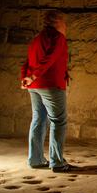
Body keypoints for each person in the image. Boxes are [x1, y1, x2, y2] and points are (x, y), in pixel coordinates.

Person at [20, 10, 75, 173]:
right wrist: (34, 75)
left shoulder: (37, 39)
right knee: (59, 121)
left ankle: (35, 159)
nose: (66, 26)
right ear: (57, 22)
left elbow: (27, 61)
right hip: (50, 85)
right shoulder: (58, 37)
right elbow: (49, 58)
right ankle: (57, 162)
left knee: (38, 119)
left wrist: (26, 77)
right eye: (64, 23)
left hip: (34, 86)